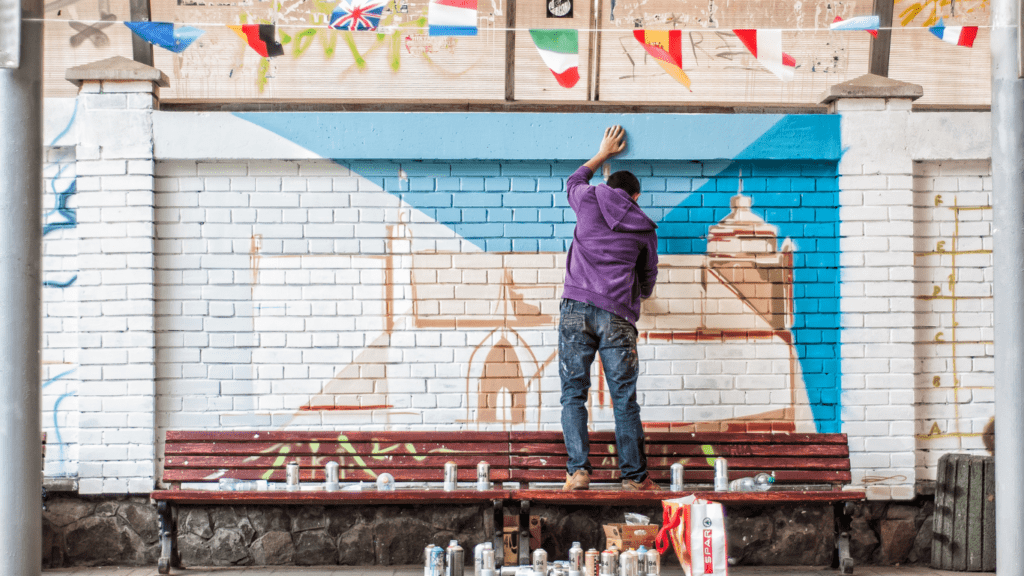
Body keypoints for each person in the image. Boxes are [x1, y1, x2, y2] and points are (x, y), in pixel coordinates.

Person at [559, 125, 660, 491]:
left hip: (575, 308)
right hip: (618, 314)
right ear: (635, 196)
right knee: (624, 398)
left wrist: (602, 152)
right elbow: (648, 279)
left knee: (573, 393)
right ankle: (634, 477)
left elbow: (573, 178)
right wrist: (639, 293)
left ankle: (578, 472)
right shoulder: (644, 227)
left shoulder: (587, 200)